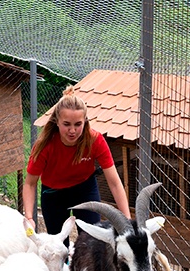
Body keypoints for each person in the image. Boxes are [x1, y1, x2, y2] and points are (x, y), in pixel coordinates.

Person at [22, 86, 131, 238]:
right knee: (59, 243)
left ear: (85, 122)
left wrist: (127, 220)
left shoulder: (95, 141)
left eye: (77, 124)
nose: (72, 131)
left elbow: (114, 182)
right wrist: (29, 217)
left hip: (85, 189)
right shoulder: (45, 146)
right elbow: (30, 183)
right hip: (53, 193)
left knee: (92, 238)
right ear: (57, 122)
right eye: (66, 124)